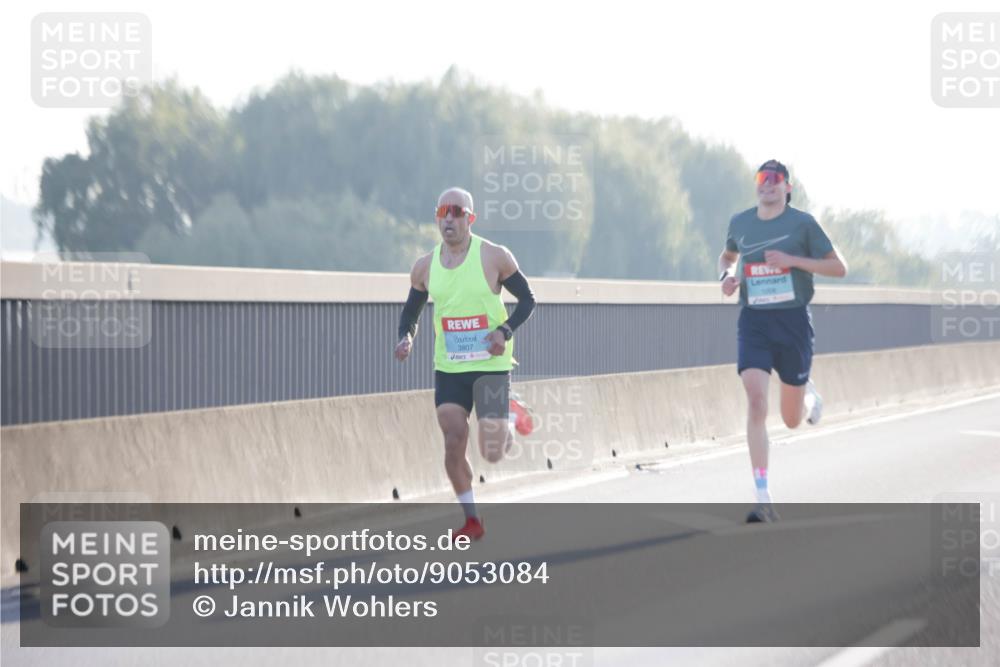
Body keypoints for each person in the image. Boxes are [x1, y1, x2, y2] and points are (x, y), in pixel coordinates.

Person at [395, 187, 536, 540]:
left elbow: (528, 300)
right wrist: (406, 337)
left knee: (493, 451)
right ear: (436, 218)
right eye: (443, 211)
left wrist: (504, 330)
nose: (449, 218)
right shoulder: (425, 267)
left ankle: (510, 412)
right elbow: (411, 312)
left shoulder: (494, 257)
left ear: (470, 219)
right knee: (453, 438)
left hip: (490, 362)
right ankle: (472, 518)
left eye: (457, 211)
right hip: (450, 367)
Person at [718, 160, 848, 523]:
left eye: (776, 180)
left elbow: (839, 267)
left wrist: (793, 260)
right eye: (763, 179)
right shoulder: (740, 222)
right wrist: (726, 277)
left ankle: (807, 391)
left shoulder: (803, 224)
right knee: (756, 401)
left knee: (791, 420)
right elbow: (728, 257)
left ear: (787, 188)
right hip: (754, 321)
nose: (768, 185)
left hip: (792, 322)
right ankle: (763, 497)